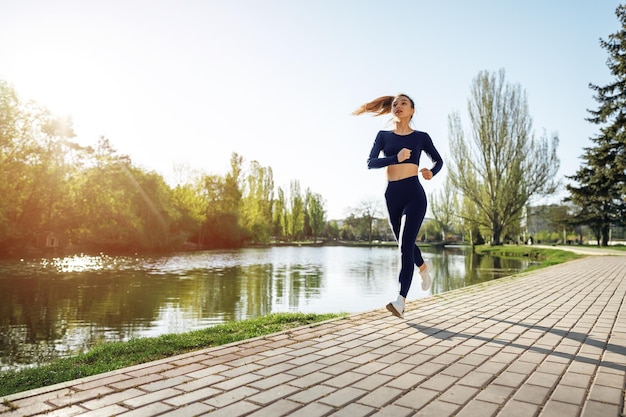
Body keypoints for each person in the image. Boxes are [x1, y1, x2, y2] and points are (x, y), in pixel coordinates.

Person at [354, 93, 443, 319]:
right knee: (405, 243)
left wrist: (431, 172)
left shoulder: (421, 137)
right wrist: (396, 158)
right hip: (392, 195)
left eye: (403, 103)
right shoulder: (383, 136)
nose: (398, 106)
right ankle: (423, 267)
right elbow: (370, 162)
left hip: (414, 193)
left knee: (405, 246)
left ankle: (400, 301)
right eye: (395, 104)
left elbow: (438, 160)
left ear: (412, 110)